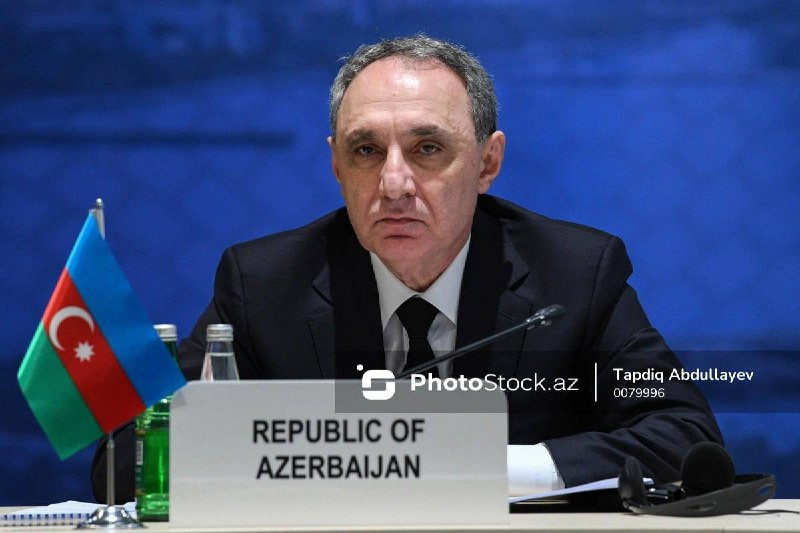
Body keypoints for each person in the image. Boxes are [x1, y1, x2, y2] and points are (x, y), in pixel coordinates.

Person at [92, 34, 721, 502]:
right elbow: (127, 462)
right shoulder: (263, 284)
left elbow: (683, 436)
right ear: (336, 165)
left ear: (487, 162)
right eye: (366, 150)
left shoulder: (574, 274)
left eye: (427, 148)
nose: (394, 183)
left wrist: (492, 468)